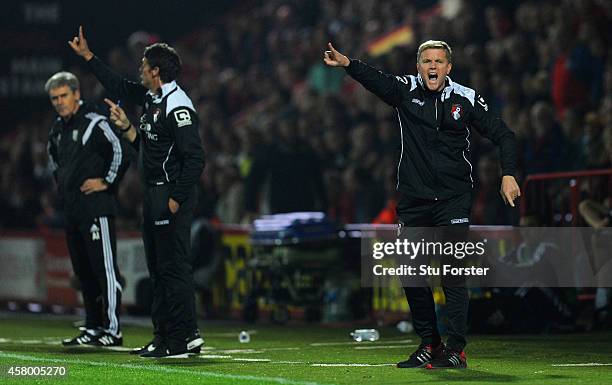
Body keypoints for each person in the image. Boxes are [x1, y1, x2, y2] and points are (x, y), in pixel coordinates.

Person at [324, 40, 520, 369]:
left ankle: (456, 349)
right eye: (426, 60)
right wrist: (349, 64)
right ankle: (430, 343)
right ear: (418, 66)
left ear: (448, 67)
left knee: (452, 273)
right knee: (412, 272)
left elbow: (504, 134)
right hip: (414, 199)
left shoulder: (466, 98)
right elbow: (378, 79)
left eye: (439, 61)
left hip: (453, 199)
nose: (432, 66)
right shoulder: (405, 90)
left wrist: (508, 174)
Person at [69, 26, 205, 358]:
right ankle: (164, 336)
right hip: (153, 195)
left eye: (144, 65)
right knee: (159, 269)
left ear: (156, 71)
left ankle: (183, 337)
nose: (139, 70)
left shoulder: (177, 104)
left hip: (169, 196)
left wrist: (175, 198)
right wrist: (89, 58)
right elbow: (148, 146)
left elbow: (196, 157)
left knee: (173, 268)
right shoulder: (153, 99)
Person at [46, 71, 128, 347]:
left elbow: (121, 150)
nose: (59, 102)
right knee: (84, 273)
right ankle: (93, 326)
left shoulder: (94, 123)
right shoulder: (58, 129)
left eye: (63, 96)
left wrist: (106, 181)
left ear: (76, 94)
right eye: (54, 98)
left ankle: (113, 330)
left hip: (96, 209)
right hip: (72, 210)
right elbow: (54, 159)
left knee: (104, 271)